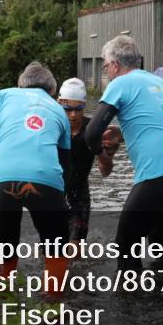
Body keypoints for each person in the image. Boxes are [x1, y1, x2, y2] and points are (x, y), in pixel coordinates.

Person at [85, 35, 163, 271]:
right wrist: (123, 133)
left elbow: (92, 133)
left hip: (158, 174)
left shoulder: (121, 83)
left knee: (126, 244)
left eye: (105, 66)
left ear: (114, 65)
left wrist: (103, 158)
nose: (107, 72)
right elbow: (157, 123)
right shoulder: (157, 82)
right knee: (159, 242)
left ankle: (129, 303)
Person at [0, 62, 72, 296]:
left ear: (20, 83)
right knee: (57, 248)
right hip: (47, 180)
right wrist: (61, 203)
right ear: (52, 90)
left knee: (4, 249)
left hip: (3, 178)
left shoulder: (3, 95)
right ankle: (52, 309)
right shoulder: (59, 111)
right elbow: (65, 165)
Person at [56, 77, 115, 246]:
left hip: (79, 194)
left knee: (75, 249)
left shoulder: (94, 131)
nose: (73, 115)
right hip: (54, 193)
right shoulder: (52, 128)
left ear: (84, 106)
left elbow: (105, 172)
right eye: (67, 109)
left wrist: (106, 154)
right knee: (50, 248)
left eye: (78, 109)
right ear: (58, 103)